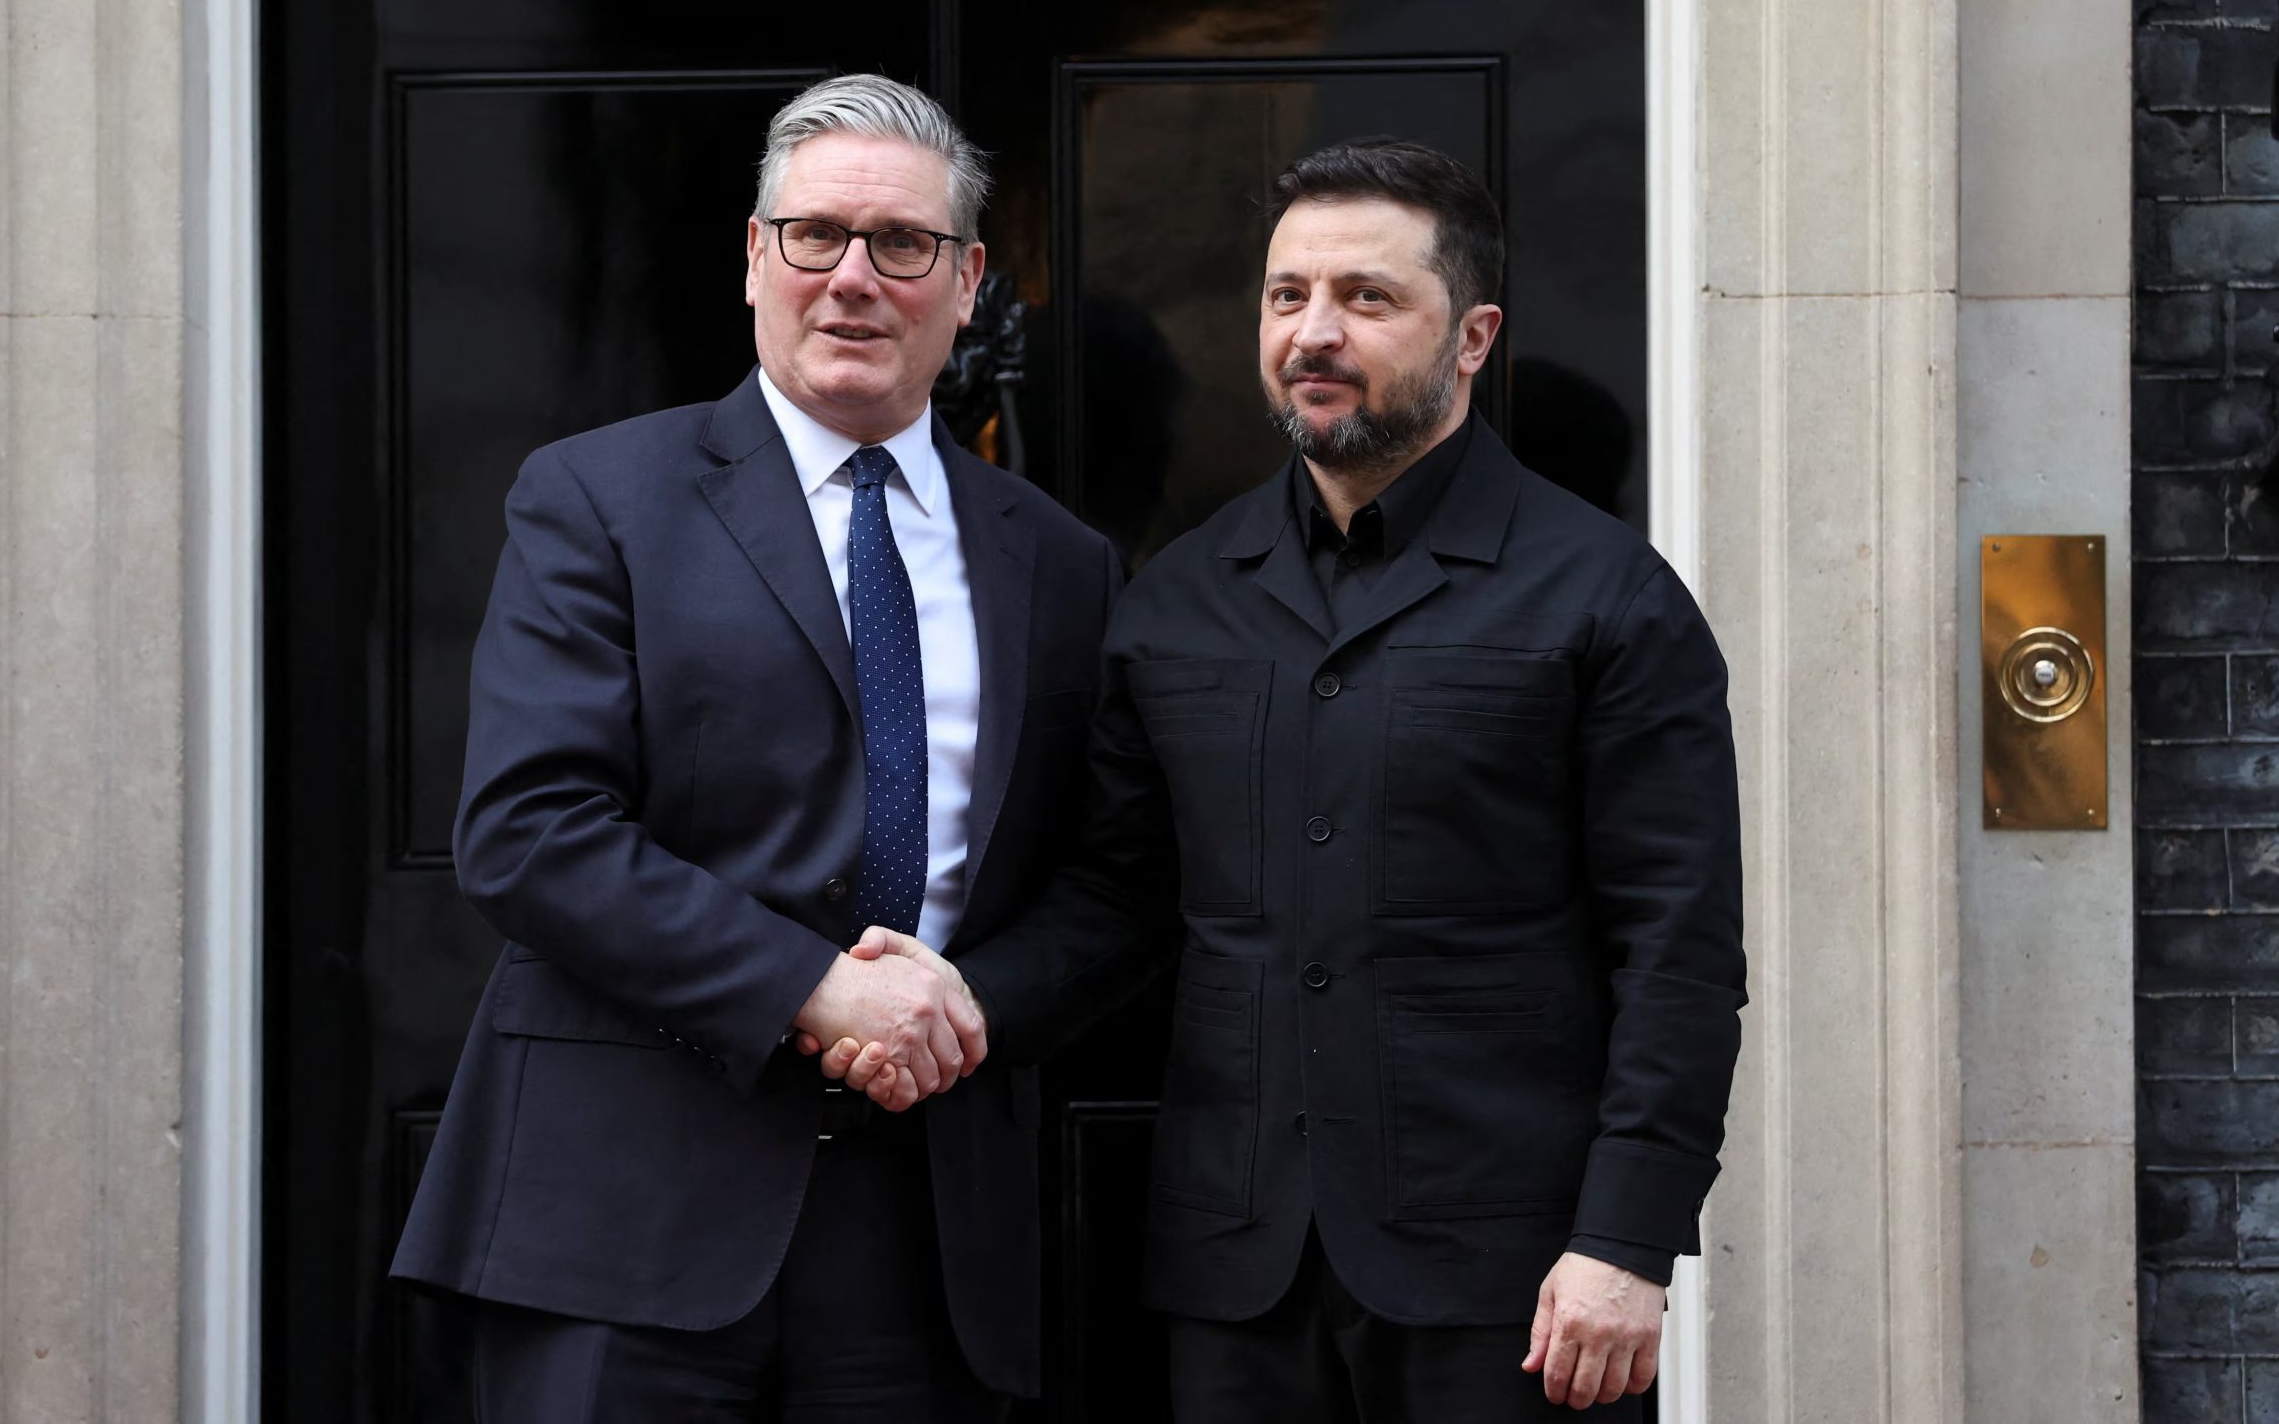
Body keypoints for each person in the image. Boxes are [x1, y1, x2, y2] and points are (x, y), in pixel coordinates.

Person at [826, 138, 1747, 1419]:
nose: (1313, 331)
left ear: (1472, 337)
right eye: (1286, 294)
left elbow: (1678, 949)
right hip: (1234, 1272)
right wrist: (952, 1003)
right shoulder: (1179, 596)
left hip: (1513, 1277)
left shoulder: (1606, 596)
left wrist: (1626, 1237)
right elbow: (1118, 903)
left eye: (1367, 297)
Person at [391, 74, 1118, 1418]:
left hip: (926, 1235)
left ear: (967, 283)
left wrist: (956, 1012)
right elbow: (531, 830)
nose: (853, 277)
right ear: (752, 256)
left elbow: (1104, 881)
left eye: (902, 244)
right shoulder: (598, 497)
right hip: (624, 1216)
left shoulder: (1062, 563)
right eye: (815, 234)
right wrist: (815, 987)